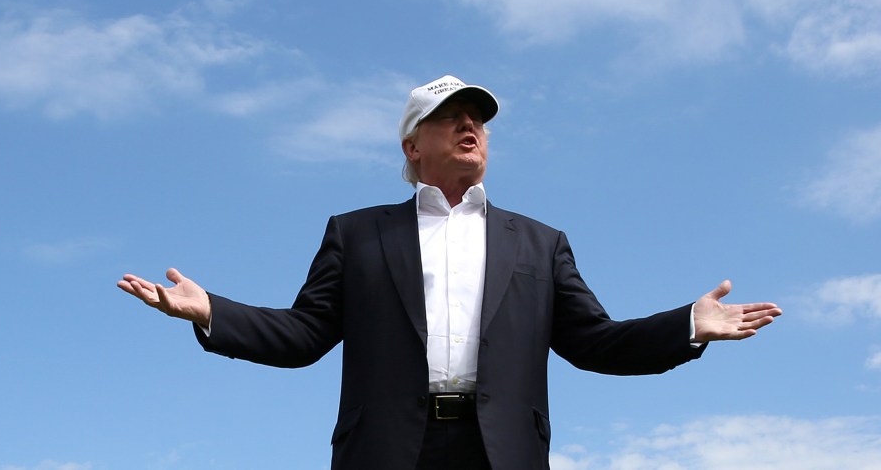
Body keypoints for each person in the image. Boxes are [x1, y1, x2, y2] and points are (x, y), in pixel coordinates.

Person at [118, 74, 781, 470]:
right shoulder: (358, 234)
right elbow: (304, 335)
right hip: (387, 452)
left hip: (502, 454)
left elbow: (593, 343)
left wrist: (685, 327)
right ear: (412, 144)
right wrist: (212, 312)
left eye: (479, 121)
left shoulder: (540, 244)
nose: (470, 127)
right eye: (450, 118)